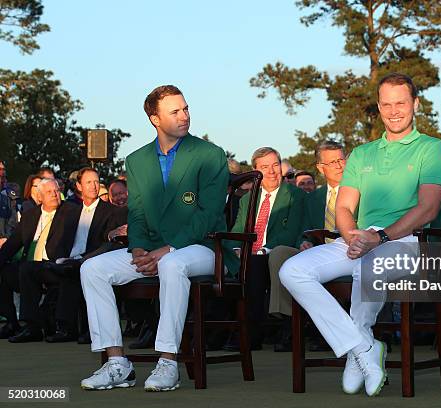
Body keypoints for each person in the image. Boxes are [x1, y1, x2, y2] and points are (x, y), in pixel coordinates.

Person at [279, 73, 441, 396]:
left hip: (407, 243)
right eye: (386, 104)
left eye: (401, 102)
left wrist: (380, 238)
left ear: (415, 104)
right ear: (378, 108)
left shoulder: (431, 148)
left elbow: (428, 209)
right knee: (293, 270)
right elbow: (344, 208)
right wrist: (352, 236)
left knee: (367, 266)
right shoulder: (361, 153)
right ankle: (362, 348)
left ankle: (359, 347)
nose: (394, 110)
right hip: (362, 239)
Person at [79, 85, 233, 392]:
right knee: (91, 269)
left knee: (172, 264)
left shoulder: (210, 154)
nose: (184, 116)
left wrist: (167, 249)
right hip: (151, 249)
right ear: (155, 119)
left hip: (205, 248)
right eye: (175, 111)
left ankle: (167, 361)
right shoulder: (137, 160)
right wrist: (137, 248)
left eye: (186, 108)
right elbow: (135, 213)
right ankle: (117, 363)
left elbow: (209, 212)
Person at [19, 168, 122, 343]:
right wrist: (57, 259)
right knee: (28, 269)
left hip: (90, 262)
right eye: (88, 182)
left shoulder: (111, 212)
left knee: (72, 271)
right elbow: (61, 239)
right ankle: (32, 326)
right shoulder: (71, 212)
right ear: (79, 186)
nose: (94, 186)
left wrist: (82, 259)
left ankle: (67, 328)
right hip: (65, 261)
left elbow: (108, 244)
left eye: (97, 181)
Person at [268, 140, 346, 352]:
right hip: (317, 253)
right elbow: (304, 229)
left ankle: (318, 328)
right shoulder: (313, 198)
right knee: (279, 254)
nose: (339, 166)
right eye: (333, 162)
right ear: (320, 168)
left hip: (348, 254)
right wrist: (304, 242)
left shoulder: (357, 191)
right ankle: (291, 322)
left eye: (342, 160)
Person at [227, 147, 306, 350]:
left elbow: (292, 231)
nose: (271, 171)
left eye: (275, 165)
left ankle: (278, 329)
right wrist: (236, 248)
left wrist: (262, 249)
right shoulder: (247, 199)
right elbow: (237, 229)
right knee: (245, 263)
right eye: (264, 167)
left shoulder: (295, 195)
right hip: (251, 255)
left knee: (258, 261)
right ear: (255, 171)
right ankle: (248, 332)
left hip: (278, 251)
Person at [0, 178, 75, 341]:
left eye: (57, 191)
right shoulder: (30, 216)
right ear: (39, 197)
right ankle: (12, 322)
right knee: (4, 270)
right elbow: (12, 244)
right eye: (49, 192)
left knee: (27, 269)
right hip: (30, 267)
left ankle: (32, 327)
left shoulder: (70, 212)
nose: (55, 195)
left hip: (55, 265)